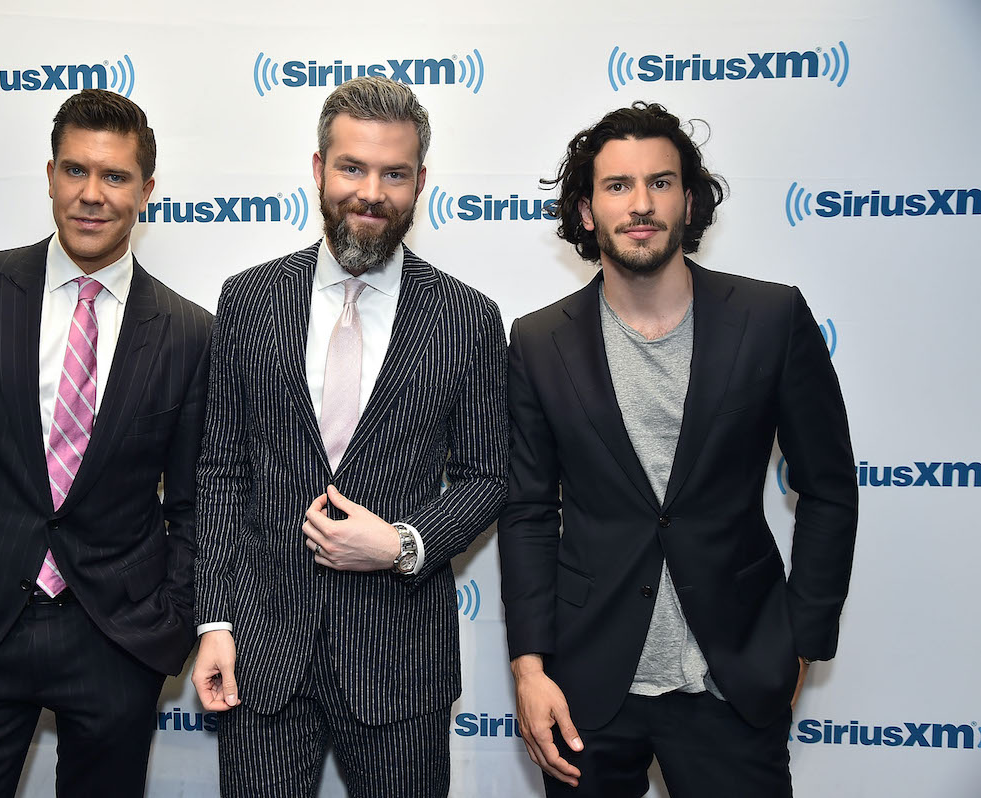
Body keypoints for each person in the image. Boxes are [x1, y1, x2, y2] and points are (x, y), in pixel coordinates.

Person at [498, 102, 857, 797]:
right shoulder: (538, 342)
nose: (640, 204)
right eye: (616, 186)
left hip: (734, 679)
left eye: (660, 183)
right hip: (587, 683)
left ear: (688, 200)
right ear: (583, 211)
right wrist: (529, 670)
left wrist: (799, 639)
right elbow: (527, 512)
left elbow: (829, 487)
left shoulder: (771, 318)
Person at [0, 88, 212, 797]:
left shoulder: (189, 333)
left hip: (115, 639)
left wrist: (169, 621)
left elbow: (193, 504)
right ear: (51, 174)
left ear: (146, 190)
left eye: (115, 176)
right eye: (74, 171)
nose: (91, 195)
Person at [190, 76, 508, 797]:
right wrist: (214, 619)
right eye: (351, 167)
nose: (371, 191)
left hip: (400, 661)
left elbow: (488, 474)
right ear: (317, 169)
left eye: (394, 173)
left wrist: (401, 543)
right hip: (262, 653)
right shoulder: (248, 298)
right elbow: (219, 471)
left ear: (420, 182)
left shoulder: (468, 318)